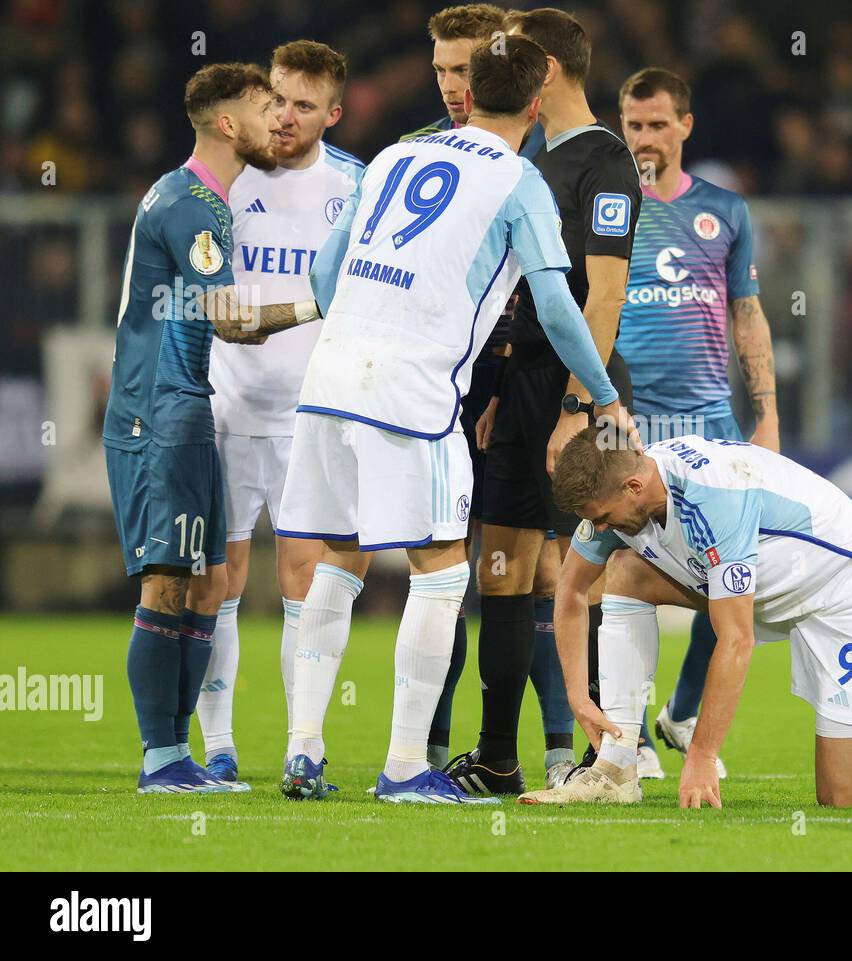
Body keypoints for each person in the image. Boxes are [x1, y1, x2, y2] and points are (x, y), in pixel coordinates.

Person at [274, 35, 638, 805]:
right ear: (536, 105)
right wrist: (602, 397)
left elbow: (322, 272)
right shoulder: (520, 181)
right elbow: (559, 307)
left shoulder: (390, 159)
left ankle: (304, 748)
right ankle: (407, 765)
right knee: (440, 569)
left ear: (468, 94)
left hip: (330, 378)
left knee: (337, 558)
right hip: (410, 389)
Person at [519, 428, 852, 810]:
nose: (598, 526)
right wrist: (579, 698)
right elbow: (569, 591)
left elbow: (735, 639)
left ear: (633, 488)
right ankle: (616, 768)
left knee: (847, 795)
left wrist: (702, 754)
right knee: (627, 569)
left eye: (603, 516)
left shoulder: (711, 500)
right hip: (767, 584)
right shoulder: (626, 489)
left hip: (849, 595)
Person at [104, 63, 326, 793]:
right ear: (228, 124)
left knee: (206, 581)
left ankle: (181, 758)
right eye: (267, 109)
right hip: (157, 410)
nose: (279, 122)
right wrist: (319, 303)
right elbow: (230, 321)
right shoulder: (196, 205)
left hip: (187, 405)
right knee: (167, 582)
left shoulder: (199, 197)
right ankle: (161, 755)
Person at [445, 7, 641, 796]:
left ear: (547, 71)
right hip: (519, 382)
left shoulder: (604, 162)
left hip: (570, 392)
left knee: (583, 573)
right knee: (507, 569)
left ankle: (605, 757)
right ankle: (501, 754)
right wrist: (502, 378)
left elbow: (604, 296)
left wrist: (569, 404)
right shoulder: (531, 157)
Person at [396, 3, 566, 779]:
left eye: (465, 69)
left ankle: (544, 748)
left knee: (526, 569)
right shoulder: (407, 155)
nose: (452, 85)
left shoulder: (542, 162)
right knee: (437, 568)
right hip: (439, 381)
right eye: (439, 70)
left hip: (518, 374)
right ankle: (428, 748)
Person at [196, 40, 363, 785]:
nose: (286, 116)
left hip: (313, 416)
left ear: (333, 112)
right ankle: (221, 748)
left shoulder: (359, 187)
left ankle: (304, 745)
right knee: (218, 582)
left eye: (304, 104)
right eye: (278, 100)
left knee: (305, 580)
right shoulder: (222, 183)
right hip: (226, 408)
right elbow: (207, 300)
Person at [615, 67, 781, 779]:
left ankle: (681, 714)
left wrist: (767, 415)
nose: (645, 138)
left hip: (709, 424)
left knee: (734, 575)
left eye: (658, 124)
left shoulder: (727, 212)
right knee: (611, 575)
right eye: (633, 125)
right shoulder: (607, 208)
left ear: (685, 126)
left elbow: (748, 314)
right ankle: (625, 736)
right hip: (626, 422)